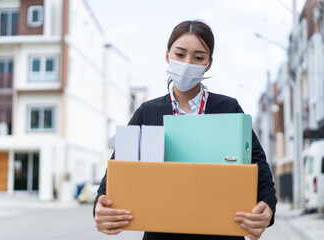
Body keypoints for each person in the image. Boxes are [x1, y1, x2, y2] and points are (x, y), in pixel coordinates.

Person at [93, 20, 277, 240]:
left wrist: (267, 205)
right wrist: (100, 203)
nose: (188, 63)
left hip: (220, 233)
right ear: (167, 55)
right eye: (180, 55)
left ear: (208, 64)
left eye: (198, 58)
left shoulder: (228, 108)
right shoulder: (147, 112)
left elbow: (259, 167)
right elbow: (117, 170)